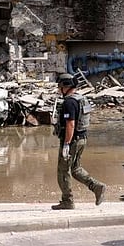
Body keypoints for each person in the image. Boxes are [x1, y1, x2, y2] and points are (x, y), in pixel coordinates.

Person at [51, 73, 106, 210]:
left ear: (66, 86)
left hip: (72, 140)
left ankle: (67, 201)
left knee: (63, 171)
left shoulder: (69, 102)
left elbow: (70, 124)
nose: (59, 89)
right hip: (82, 139)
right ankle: (97, 187)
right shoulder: (81, 99)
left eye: (60, 87)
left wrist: (66, 144)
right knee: (75, 168)